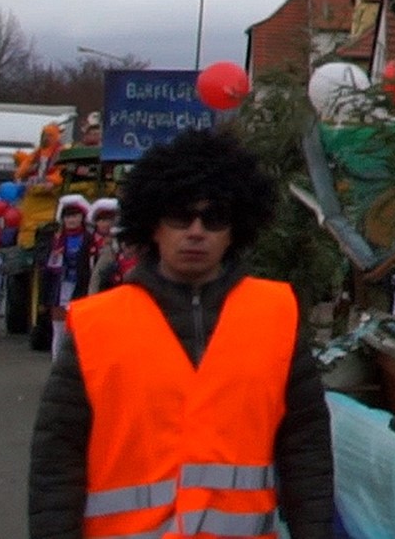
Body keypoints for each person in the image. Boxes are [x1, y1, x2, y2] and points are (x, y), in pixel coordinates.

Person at [28, 126, 335, 539]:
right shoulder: (96, 324)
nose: (196, 230)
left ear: (235, 229)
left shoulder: (275, 313)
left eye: (214, 218)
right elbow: (57, 461)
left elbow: (306, 448)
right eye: (179, 215)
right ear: (153, 225)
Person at [38, 196, 99, 354]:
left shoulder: (90, 239)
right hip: (60, 288)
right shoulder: (55, 239)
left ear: (82, 218)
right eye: (68, 216)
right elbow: (45, 269)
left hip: (81, 287)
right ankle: (57, 361)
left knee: (78, 331)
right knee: (59, 330)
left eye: (75, 216)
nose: (71, 220)